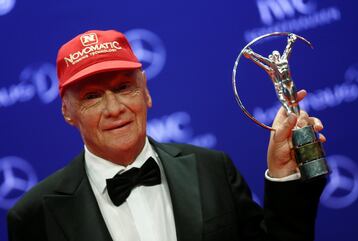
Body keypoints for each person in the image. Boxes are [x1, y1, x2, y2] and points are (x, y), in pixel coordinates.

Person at [7, 29, 327, 241]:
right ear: (66, 111)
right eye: (92, 97)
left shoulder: (212, 169)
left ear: (145, 91)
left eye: (123, 88)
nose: (114, 108)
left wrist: (283, 176)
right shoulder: (35, 215)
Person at [243, 34, 299, 115]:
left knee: (294, 101)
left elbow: (287, 50)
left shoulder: (283, 60)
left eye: (277, 54)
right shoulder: (272, 67)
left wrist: (291, 41)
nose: (276, 56)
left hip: (290, 83)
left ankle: (297, 118)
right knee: (288, 104)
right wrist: (251, 55)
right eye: (274, 55)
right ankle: (290, 114)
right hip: (280, 86)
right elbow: (261, 60)